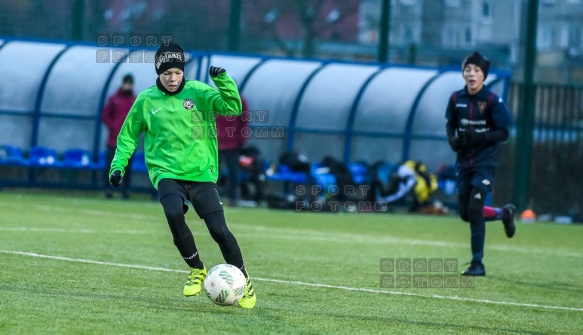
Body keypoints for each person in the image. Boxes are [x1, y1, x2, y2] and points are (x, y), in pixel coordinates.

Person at [108, 42, 256, 308]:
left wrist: (223, 81)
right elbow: (128, 136)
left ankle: (244, 280)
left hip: (201, 173)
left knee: (219, 231)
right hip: (166, 173)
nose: (173, 78)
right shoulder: (146, 100)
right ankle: (197, 269)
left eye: (177, 72)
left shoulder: (198, 92)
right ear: (158, 72)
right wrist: (118, 166)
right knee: (173, 212)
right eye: (167, 73)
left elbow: (232, 109)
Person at [445, 51, 516, 276]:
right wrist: (452, 140)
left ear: (484, 75)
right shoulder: (456, 99)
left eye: (476, 70)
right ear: (463, 73)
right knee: (466, 213)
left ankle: (478, 263)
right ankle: (504, 214)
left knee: (475, 209)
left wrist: (481, 137)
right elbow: (450, 123)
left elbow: (504, 132)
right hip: (464, 161)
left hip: (485, 162)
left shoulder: (493, 101)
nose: (472, 74)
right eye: (468, 70)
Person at [101, 74, 136, 199]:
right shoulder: (114, 99)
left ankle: (125, 190)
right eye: (126, 83)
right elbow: (105, 115)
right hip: (114, 140)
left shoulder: (135, 101)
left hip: (129, 141)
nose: (128, 86)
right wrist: (114, 127)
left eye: (130, 83)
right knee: (111, 165)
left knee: (127, 167)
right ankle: (108, 188)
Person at [216, 94, 249, 207]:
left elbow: (244, 122)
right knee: (215, 172)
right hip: (218, 142)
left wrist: (242, 141)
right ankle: (214, 198)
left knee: (233, 173)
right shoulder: (216, 99)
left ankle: (233, 198)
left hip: (232, 144)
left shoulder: (240, 101)